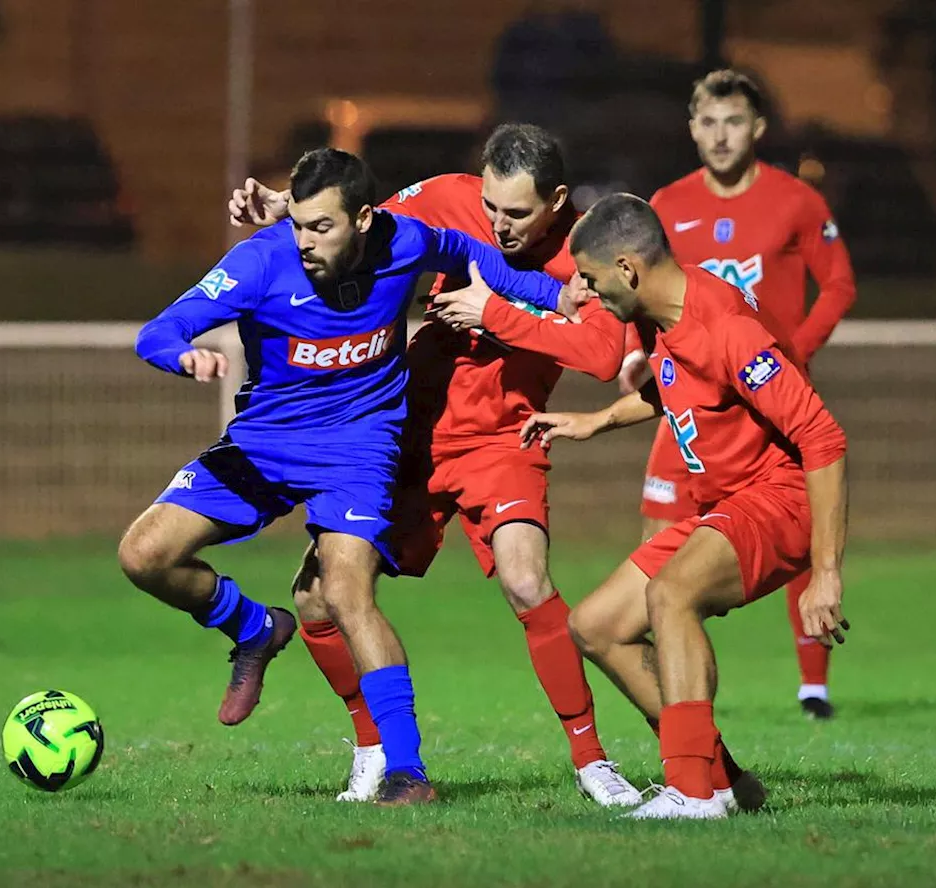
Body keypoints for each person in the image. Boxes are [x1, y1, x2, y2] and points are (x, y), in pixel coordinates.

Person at [120, 147, 566, 805]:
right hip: (265, 443)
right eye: (298, 223)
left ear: (363, 218)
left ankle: (407, 772)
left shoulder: (403, 240)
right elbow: (159, 330)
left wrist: (559, 296)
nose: (303, 241)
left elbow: (481, 261)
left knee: (347, 590)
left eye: (320, 227)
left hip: (359, 448)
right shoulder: (260, 261)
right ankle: (252, 628)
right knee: (143, 556)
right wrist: (183, 357)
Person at [227, 124, 640, 807]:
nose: (498, 226)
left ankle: (593, 761)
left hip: (501, 440)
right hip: (406, 431)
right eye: (490, 208)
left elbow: (599, 355)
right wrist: (282, 207)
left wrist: (497, 311)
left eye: (517, 214)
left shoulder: (586, 249)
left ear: (557, 200)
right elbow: (363, 223)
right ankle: (372, 748)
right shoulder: (447, 200)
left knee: (527, 579)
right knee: (315, 597)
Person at [521, 193, 850, 819]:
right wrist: (597, 422)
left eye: (590, 280)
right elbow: (673, 388)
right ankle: (721, 777)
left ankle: (694, 792)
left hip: (778, 500)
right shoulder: (661, 314)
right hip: (730, 503)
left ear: (627, 269)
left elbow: (823, 437)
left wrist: (826, 573)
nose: (587, 294)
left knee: (671, 595)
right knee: (596, 625)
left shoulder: (724, 326)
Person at [625, 69, 857, 719]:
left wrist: (795, 353)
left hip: (767, 400)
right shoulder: (666, 206)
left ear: (757, 129)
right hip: (690, 407)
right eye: (708, 122)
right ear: (692, 128)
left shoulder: (796, 202)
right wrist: (638, 357)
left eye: (734, 122)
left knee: (794, 520)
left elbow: (837, 285)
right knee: (656, 542)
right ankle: (669, 689)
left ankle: (813, 685)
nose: (721, 136)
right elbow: (637, 291)